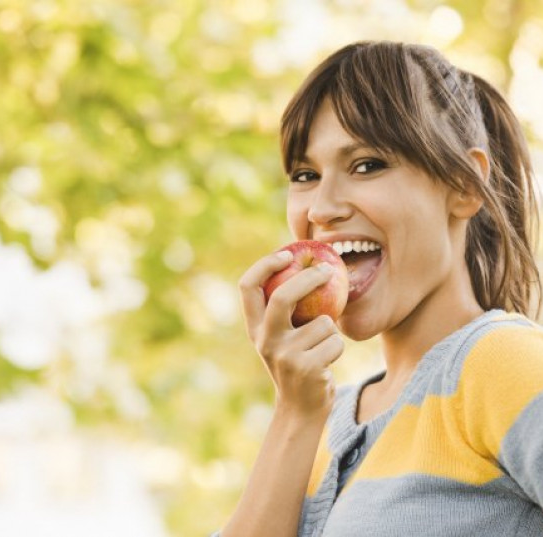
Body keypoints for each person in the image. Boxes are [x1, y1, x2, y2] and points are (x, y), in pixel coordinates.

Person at [212, 41, 543, 537]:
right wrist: (295, 414)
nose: (321, 208)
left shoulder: (502, 363)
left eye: (367, 165)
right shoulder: (323, 421)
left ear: (464, 186)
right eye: (305, 175)